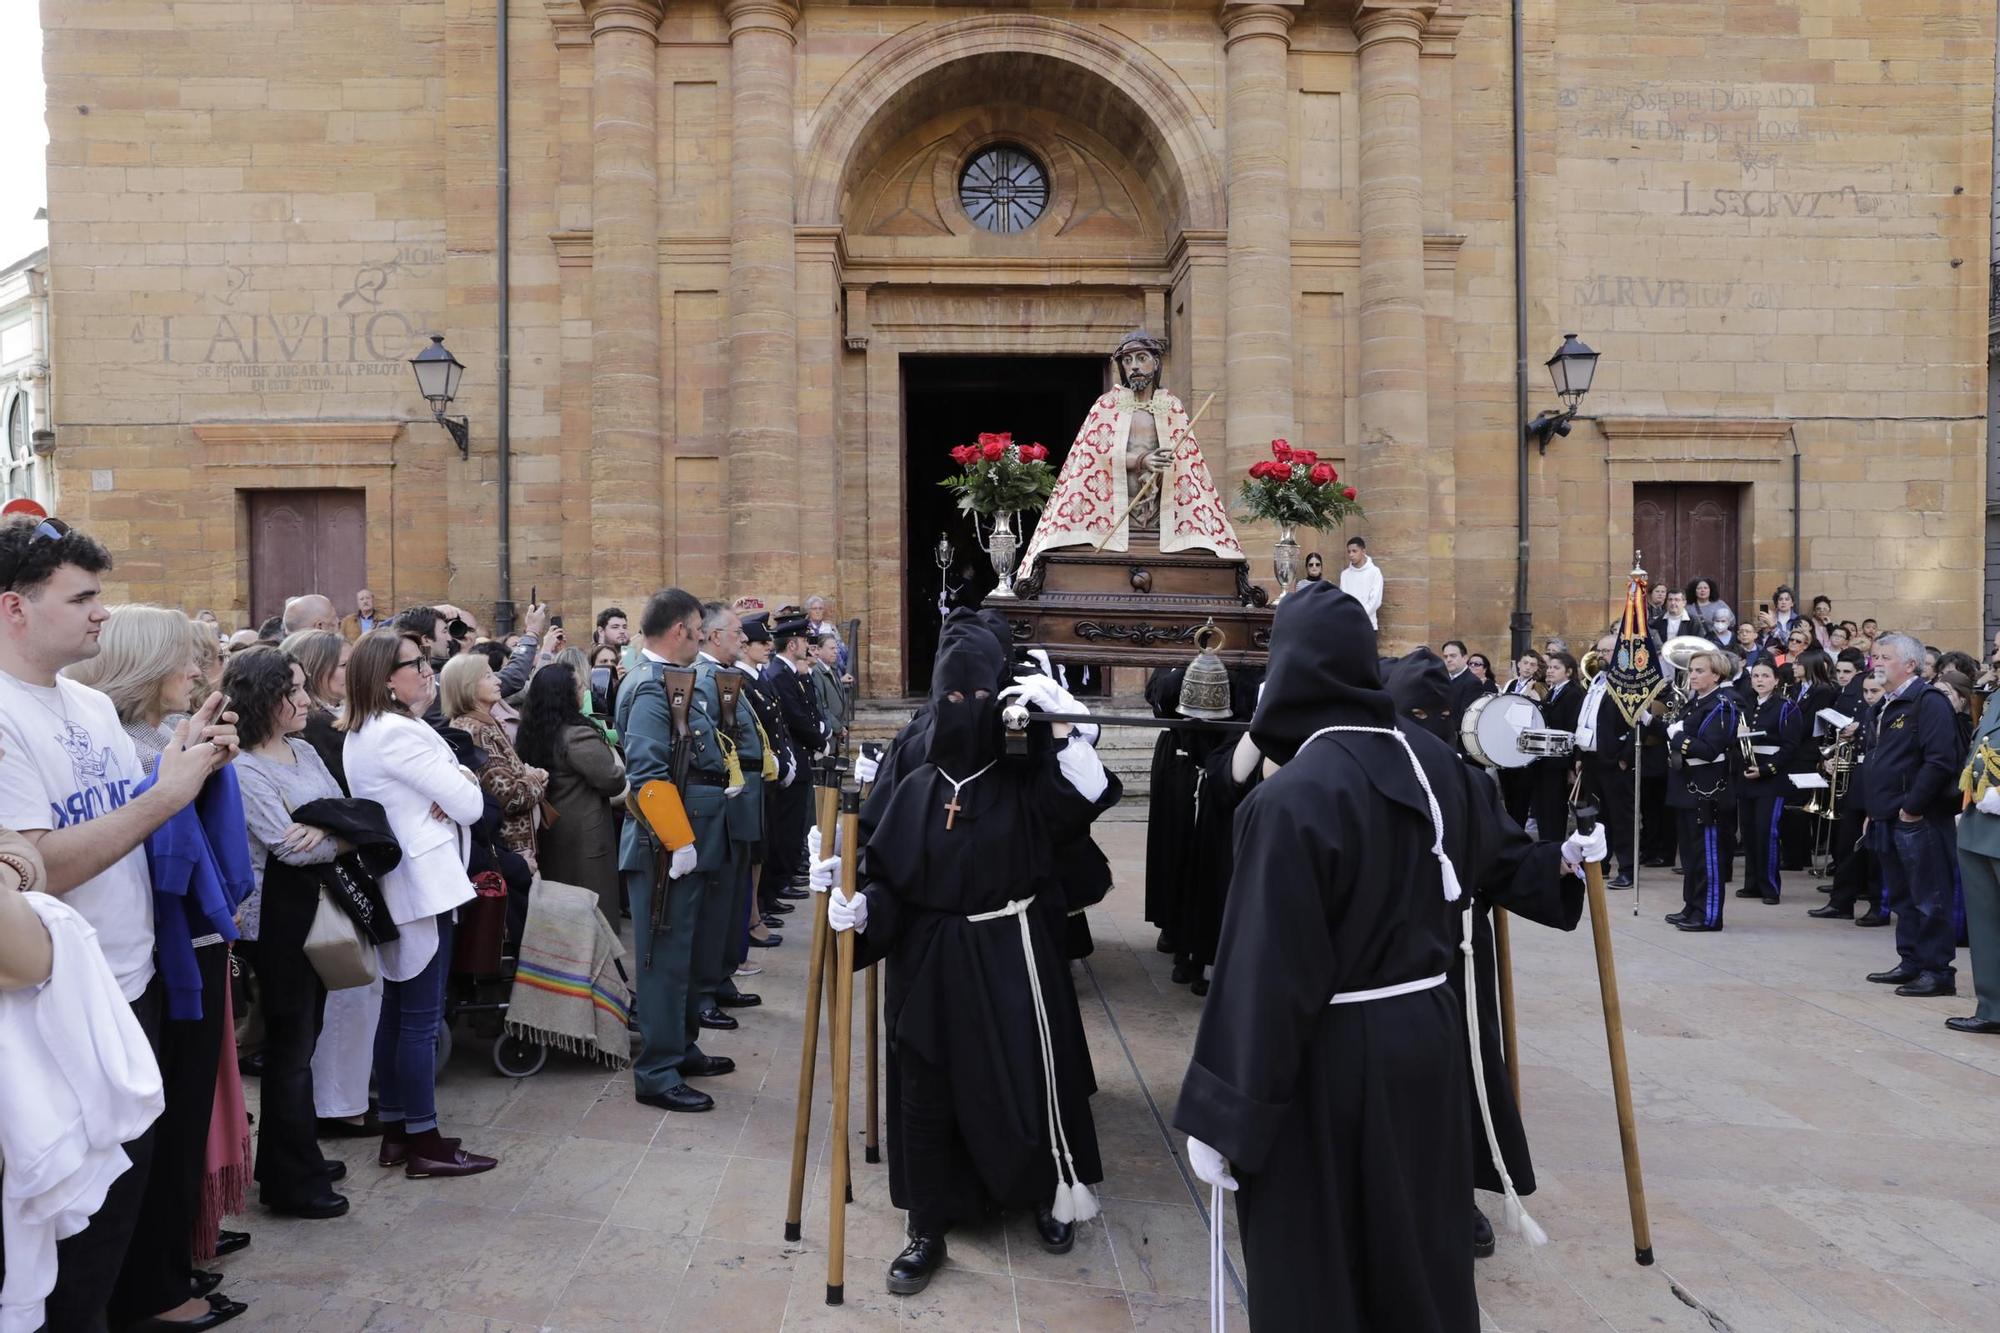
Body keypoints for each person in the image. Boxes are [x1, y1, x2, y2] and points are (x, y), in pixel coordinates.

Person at [1172, 581, 1596, 1330]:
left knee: (1319, 1259)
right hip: (1429, 1041)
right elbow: (1500, 859)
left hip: (1327, 1063)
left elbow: (1265, 972)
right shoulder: (1442, 771)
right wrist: (1561, 860)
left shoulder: (1289, 799)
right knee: (1416, 1247)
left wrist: (1226, 1112)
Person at [823, 613, 1118, 1294]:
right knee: (925, 1090)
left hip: (1010, 948)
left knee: (1024, 1078)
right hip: (929, 960)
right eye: (951, 698)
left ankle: (1045, 1191)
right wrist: (860, 906)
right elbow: (888, 874)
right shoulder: (919, 778)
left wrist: (1064, 726)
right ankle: (927, 1224)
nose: (965, 710)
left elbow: (1082, 801)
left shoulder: (1025, 772)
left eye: (978, 697)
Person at [0, 516, 243, 1332]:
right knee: (62, 1244)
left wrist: (192, 760)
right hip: (50, 1015)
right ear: (14, 609)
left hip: (127, 993)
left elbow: (128, 822)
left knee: (118, 1221)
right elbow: (39, 864)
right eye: (84, 596)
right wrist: (164, 794)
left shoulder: (88, 705)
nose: (103, 612)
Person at [64, 605, 255, 1330]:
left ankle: (168, 1261)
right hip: (157, 953)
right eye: (186, 659)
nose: (199, 672)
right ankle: (155, 1283)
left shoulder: (151, 738)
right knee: (157, 1132)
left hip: (174, 949)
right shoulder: (131, 743)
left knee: (171, 1130)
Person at [1386, 647, 1588, 1258]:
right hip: (1371, 965)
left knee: (1461, 1078)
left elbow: (1504, 861)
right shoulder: (1346, 773)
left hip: (1451, 955)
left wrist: (1563, 858)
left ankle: (1454, 1195)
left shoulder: (1465, 784)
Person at [340, 629, 496, 1177]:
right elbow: (471, 805)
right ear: (386, 677)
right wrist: (461, 776)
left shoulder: (376, 728)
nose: (428, 670)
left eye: (427, 661)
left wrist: (450, 791)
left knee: (401, 1013)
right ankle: (424, 1141)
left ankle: (402, 1132)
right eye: (416, 663)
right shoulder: (394, 734)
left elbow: (454, 804)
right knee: (418, 1019)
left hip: (410, 881)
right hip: (419, 883)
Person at [226, 647, 351, 1219]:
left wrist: (338, 833)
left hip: (312, 910)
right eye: (292, 691)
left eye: (303, 688)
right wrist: (339, 834)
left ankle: (291, 1153)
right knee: (291, 1047)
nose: (305, 700)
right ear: (263, 699)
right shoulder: (244, 768)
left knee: (305, 1038)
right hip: (275, 921)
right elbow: (284, 846)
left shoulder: (301, 748)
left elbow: (346, 811)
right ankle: (289, 1179)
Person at [616, 588, 735, 1113]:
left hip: (693, 834)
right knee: (664, 958)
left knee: (688, 952)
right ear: (681, 630)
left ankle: (681, 1048)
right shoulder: (648, 687)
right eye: (698, 628)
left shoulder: (675, 682)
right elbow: (646, 773)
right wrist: (679, 839)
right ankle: (657, 1071)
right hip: (666, 844)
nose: (704, 637)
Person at [1859, 633, 1963, 997]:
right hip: (1886, 816)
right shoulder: (1883, 705)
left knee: (1929, 896)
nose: (1877, 662)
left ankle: (1938, 971)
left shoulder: (1928, 701)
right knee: (1902, 896)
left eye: (1885, 656)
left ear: (1910, 664)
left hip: (1918, 819)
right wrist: (1874, 811)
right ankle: (1912, 961)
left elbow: (1939, 762)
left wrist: (1911, 808)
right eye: (1875, 655)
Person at [691, 602, 764, 1030]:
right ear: (714, 636)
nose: (743, 637)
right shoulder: (703, 678)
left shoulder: (723, 675)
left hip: (743, 795)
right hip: (725, 798)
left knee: (734, 895)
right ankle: (704, 991)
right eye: (737, 632)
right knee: (717, 900)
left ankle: (721, 977)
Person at [518, 663, 627, 923]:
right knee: (591, 918)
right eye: (579, 686)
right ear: (564, 694)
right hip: (584, 840)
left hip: (552, 832)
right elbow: (612, 780)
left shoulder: (533, 731)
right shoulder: (576, 735)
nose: (585, 690)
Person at [442, 653, 548, 876]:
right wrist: (536, 779)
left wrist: (525, 773)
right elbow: (508, 796)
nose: (498, 680)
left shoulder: (484, 722)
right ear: (467, 686)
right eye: (488, 676)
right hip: (510, 848)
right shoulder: (475, 730)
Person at [1665, 649, 1741, 932]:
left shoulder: (1721, 705)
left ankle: (1708, 914)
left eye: (1699, 671)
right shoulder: (1697, 703)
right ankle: (1692, 906)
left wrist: (1679, 737)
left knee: (1707, 855)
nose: (1693, 675)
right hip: (1689, 786)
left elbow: (1710, 750)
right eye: (1692, 670)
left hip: (1708, 790)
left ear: (1716, 675)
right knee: (1690, 855)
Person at [1951, 685, 2000, 1035]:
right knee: (1984, 927)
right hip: (1980, 821)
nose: (1996, 656)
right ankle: (1992, 1007)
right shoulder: (1995, 697)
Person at [1736, 661, 1806, 906]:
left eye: (1765, 676)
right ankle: (1752, 883)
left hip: (1771, 779)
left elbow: (1790, 747)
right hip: (1747, 776)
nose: (1759, 680)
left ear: (1776, 680)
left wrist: (1766, 769)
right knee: (1749, 832)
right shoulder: (1745, 706)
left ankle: (1770, 886)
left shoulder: (1787, 707)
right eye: (1755, 676)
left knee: (1767, 832)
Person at [1574, 634, 1636, 888]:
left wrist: (1624, 758)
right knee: (1598, 817)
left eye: (1607, 652)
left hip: (1614, 760)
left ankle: (1627, 868)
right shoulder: (1596, 680)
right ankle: (1602, 863)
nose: (1601, 656)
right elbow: (1586, 720)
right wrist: (1579, 755)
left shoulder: (1627, 682)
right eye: (1599, 651)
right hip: (1591, 759)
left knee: (1620, 817)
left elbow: (1636, 724)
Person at [281, 629, 351, 791]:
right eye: (344, 665)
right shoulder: (314, 723)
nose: (354, 670)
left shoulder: (340, 711)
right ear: (315, 669)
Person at [1531, 651, 1581, 841]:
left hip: (1559, 761)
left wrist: (1571, 765)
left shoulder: (1573, 693)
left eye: (1556, 668)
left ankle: (1554, 847)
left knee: (1554, 808)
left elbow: (1571, 728)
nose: (1550, 671)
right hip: (1545, 759)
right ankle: (1546, 844)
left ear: (1568, 672)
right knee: (1543, 807)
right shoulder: (1553, 691)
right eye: (1549, 667)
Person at [1337, 535, 1382, 629]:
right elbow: (1343, 598)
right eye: (1349, 552)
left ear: (1363, 551)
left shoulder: (1374, 572)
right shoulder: (1345, 574)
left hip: (1368, 624)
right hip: (1349, 624)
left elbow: (1375, 601)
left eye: (1354, 551)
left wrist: (1359, 615)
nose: (1351, 555)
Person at [1440, 639, 1485, 725]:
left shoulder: (1473, 683)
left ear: (1465, 658)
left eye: (1453, 656)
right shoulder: (1442, 679)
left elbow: (1465, 719)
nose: (1448, 660)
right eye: (1445, 657)